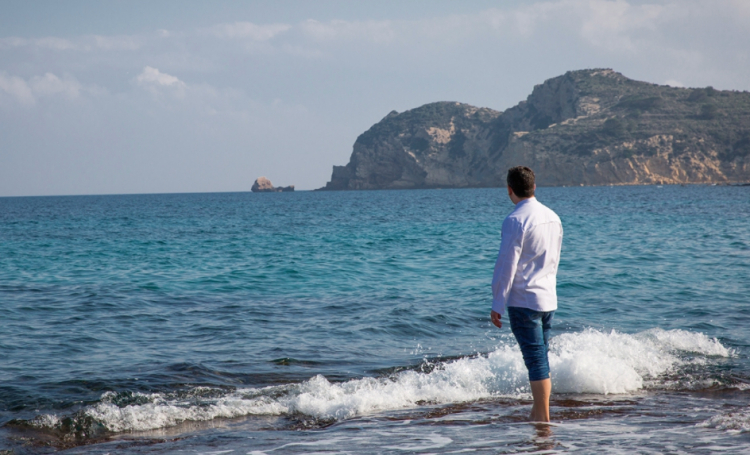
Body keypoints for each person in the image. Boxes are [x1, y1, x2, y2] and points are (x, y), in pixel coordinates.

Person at [490, 166, 563, 422]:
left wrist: (497, 302)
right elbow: (554, 259)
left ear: (510, 189)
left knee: (536, 362)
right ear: (534, 187)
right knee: (541, 358)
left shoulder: (515, 220)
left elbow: (506, 264)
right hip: (548, 298)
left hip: (524, 301)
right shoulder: (553, 216)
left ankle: (543, 420)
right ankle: (537, 414)